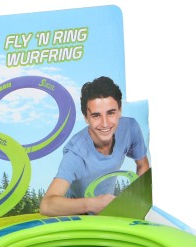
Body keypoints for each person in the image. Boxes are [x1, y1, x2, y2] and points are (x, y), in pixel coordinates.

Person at [40, 76, 150, 216]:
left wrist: (139, 203)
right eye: (96, 116)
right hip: (77, 216)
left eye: (111, 113)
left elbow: (143, 165)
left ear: (120, 110)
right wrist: (92, 204)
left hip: (106, 213)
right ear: (86, 117)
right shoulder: (76, 153)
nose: (105, 124)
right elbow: (46, 205)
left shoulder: (130, 128)